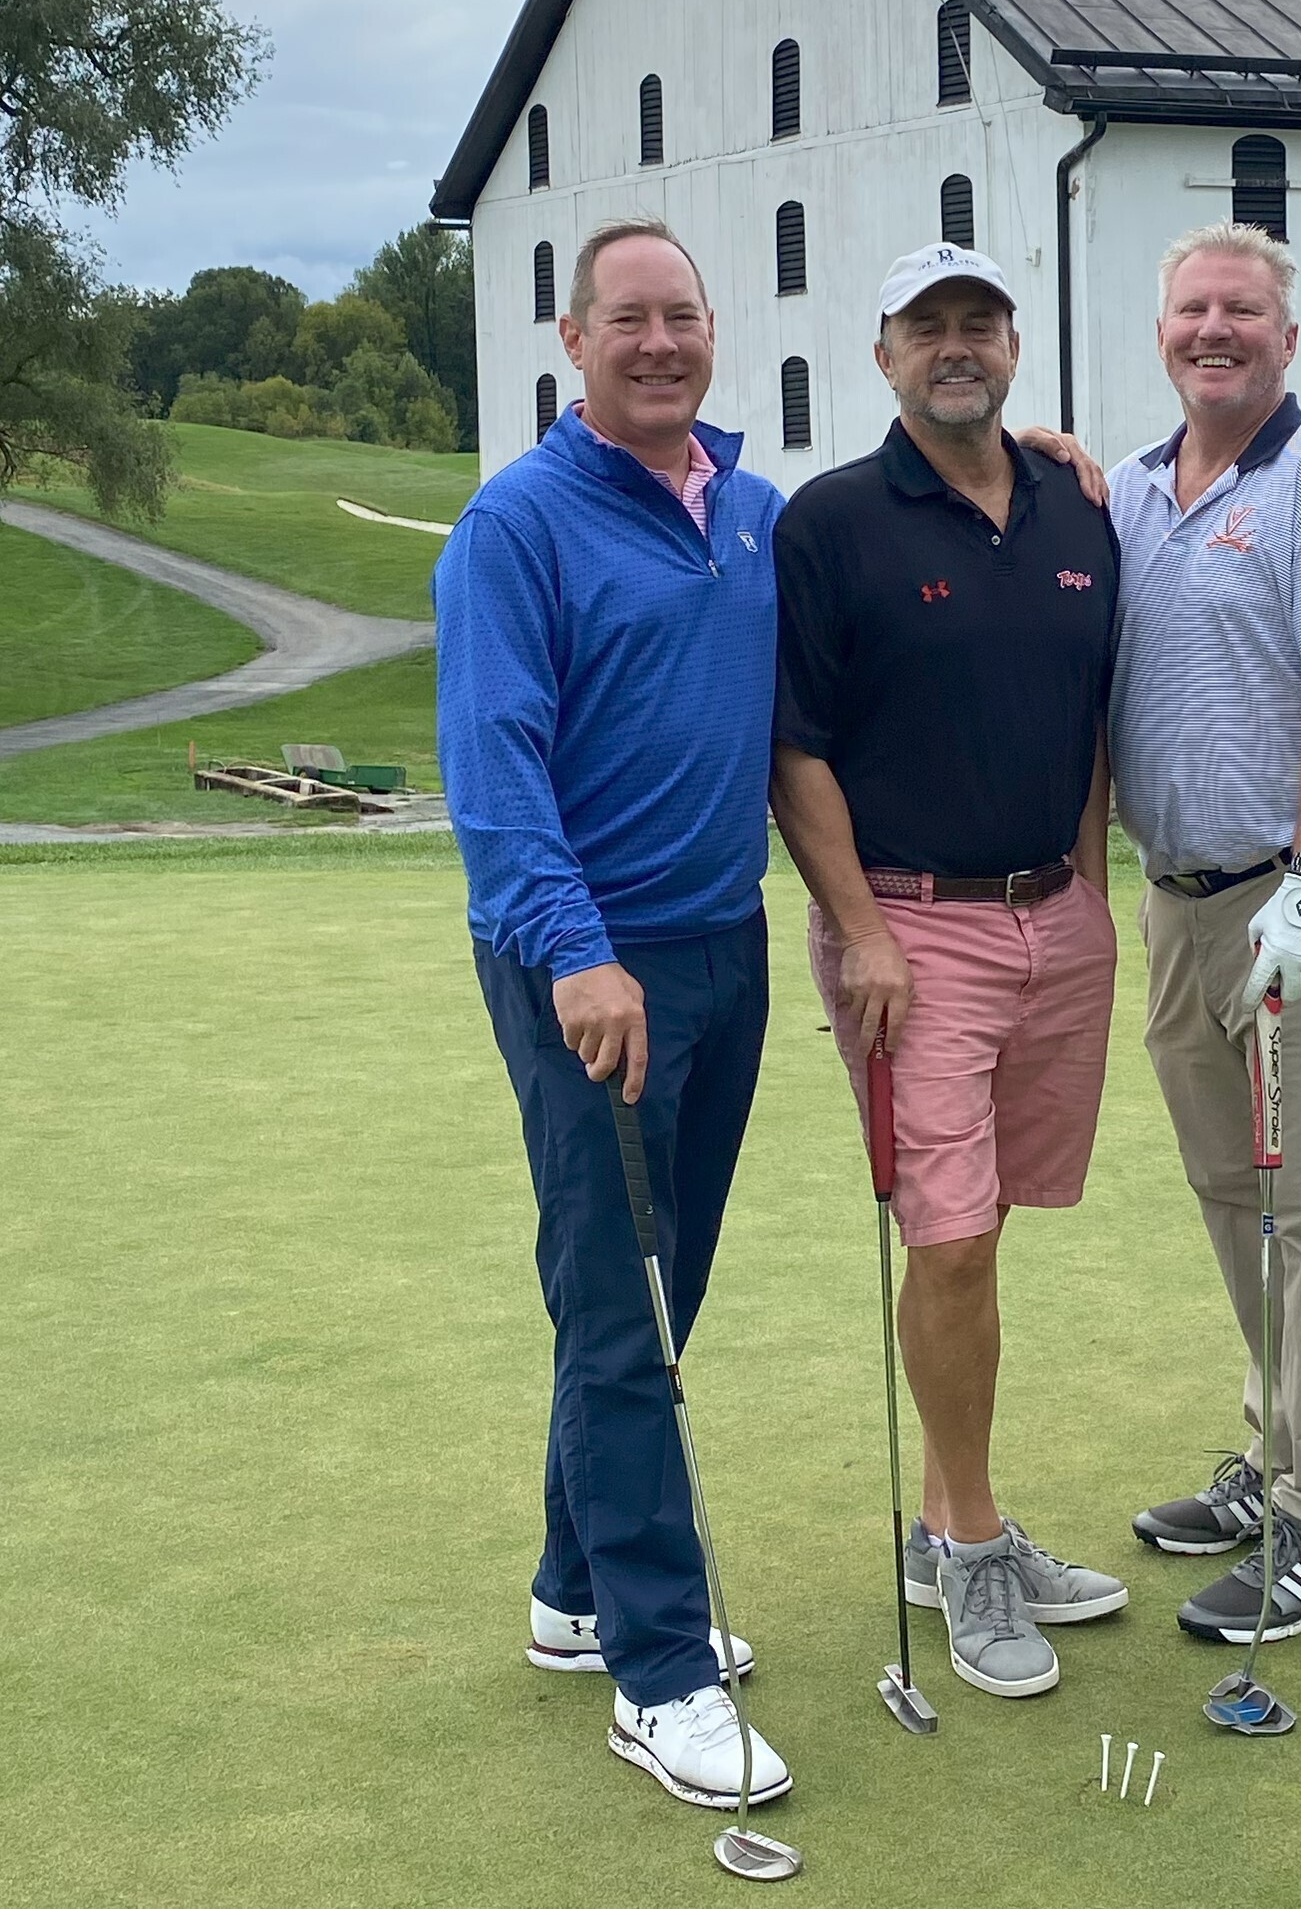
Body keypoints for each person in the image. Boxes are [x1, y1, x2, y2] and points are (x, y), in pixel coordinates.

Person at [434, 216, 793, 1812]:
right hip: (585, 959)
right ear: (572, 341)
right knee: (618, 1302)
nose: (658, 342)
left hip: (724, 942)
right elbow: (494, 762)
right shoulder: (515, 522)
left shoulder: (752, 512)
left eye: (681, 316)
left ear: (711, 332)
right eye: (625, 319)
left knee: (662, 1278)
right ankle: (657, 1672)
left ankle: (575, 1593)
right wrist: (577, 951)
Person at [771, 241, 1132, 1701]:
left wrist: (1090, 887)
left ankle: (947, 1517)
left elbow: (1091, 712)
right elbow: (795, 750)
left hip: (1056, 914)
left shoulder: (1075, 504)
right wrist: (861, 931)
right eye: (926, 327)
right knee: (953, 1237)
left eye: (979, 321)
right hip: (910, 934)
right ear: (883, 356)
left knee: (987, 1229)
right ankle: (972, 1541)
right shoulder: (832, 521)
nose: (955, 345)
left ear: (1013, 345)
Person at [1108, 221, 1301, 1647]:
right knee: (1235, 1195)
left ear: (1287, 338)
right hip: (1176, 899)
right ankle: (1276, 1444)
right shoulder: (1125, 489)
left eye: (1241, 310)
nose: (1212, 328)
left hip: (1300, 902)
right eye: (1191, 308)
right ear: (1161, 331)